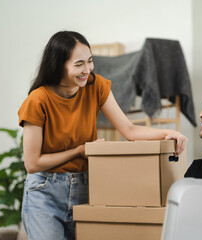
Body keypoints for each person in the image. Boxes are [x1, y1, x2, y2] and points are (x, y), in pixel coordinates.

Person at [18, 31, 188, 240]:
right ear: (58, 65)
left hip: (85, 187)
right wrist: (79, 151)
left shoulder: (96, 85)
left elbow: (129, 130)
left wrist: (166, 132)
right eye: (78, 64)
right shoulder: (37, 100)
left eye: (90, 61)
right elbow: (33, 163)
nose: (87, 70)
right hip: (44, 192)